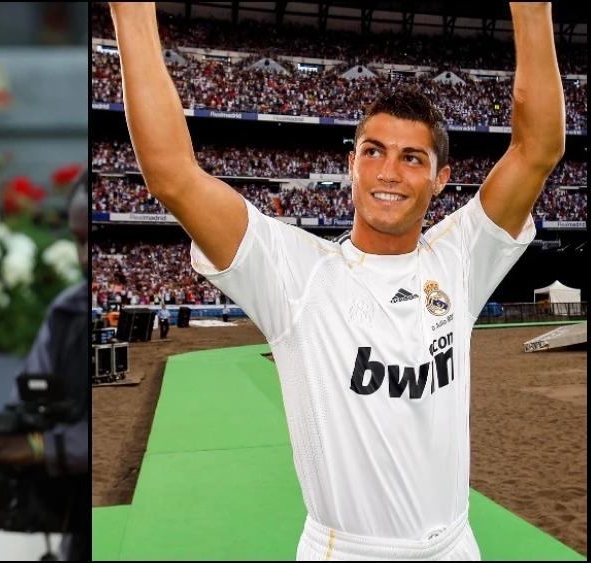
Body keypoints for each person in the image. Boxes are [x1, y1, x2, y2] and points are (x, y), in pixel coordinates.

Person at [109, 2, 564, 561]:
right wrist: (130, 13)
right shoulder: (294, 273)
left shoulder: (462, 258)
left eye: (412, 158)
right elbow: (172, 174)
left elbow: (537, 149)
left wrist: (533, 9)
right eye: (373, 152)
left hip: (456, 545)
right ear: (351, 164)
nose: (389, 173)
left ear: (442, 179)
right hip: (347, 552)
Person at [0, 166, 90, 561]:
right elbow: (26, 392)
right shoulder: (67, 311)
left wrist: (38, 446)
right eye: (78, 240)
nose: (86, 257)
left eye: (94, 240)